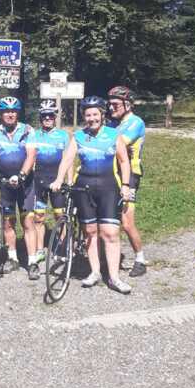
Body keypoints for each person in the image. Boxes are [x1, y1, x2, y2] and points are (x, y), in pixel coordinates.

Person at [50, 96, 132, 294]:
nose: (92, 118)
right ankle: (94, 272)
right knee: (90, 231)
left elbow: (124, 161)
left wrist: (126, 185)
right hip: (84, 188)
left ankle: (114, 277)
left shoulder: (113, 134)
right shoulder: (78, 136)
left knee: (110, 233)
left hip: (108, 188)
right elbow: (67, 159)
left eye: (95, 114)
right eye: (88, 115)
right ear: (84, 117)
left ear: (102, 115)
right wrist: (59, 179)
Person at [0, 96, 37, 275]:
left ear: (17, 113)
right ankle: (13, 258)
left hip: (25, 183)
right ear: (1, 114)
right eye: (6, 111)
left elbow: (31, 155)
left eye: (13, 111)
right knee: (8, 222)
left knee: (27, 221)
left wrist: (22, 175)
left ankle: (32, 262)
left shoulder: (27, 130)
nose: (10, 115)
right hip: (4, 183)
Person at [29, 100, 72, 280]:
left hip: (57, 180)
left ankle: (62, 246)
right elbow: (29, 158)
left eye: (51, 116)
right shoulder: (34, 135)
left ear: (55, 117)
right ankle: (40, 250)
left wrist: (69, 180)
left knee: (59, 216)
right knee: (38, 217)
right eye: (44, 116)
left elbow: (68, 159)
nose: (48, 118)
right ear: (41, 118)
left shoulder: (63, 135)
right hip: (39, 181)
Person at [108, 85, 147, 276]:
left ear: (128, 105)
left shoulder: (135, 122)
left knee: (126, 221)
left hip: (130, 174)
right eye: (109, 104)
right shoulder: (113, 124)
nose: (111, 108)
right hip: (111, 172)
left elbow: (118, 143)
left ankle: (140, 259)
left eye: (115, 104)